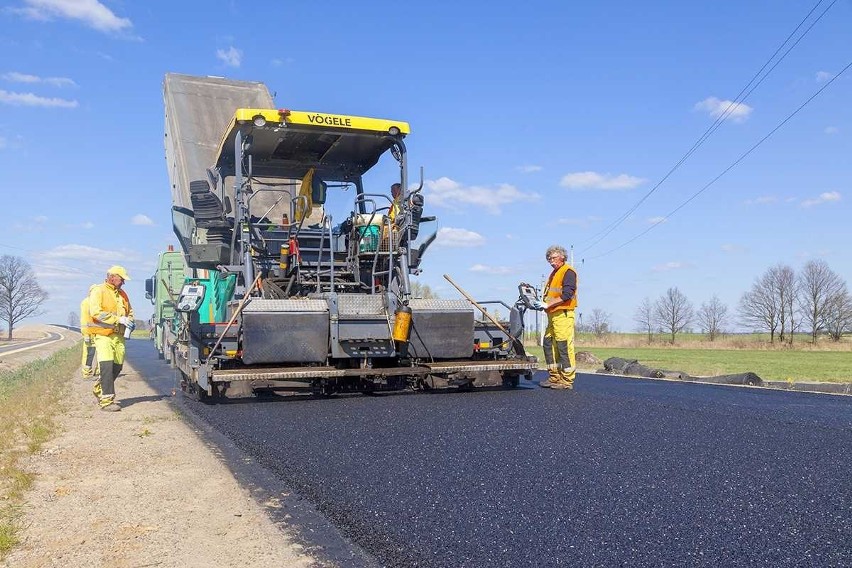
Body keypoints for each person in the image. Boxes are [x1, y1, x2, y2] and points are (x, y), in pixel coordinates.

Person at [88, 265, 134, 411]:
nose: (123, 282)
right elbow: (96, 312)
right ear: (112, 277)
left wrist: (129, 320)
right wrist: (117, 319)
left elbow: (130, 311)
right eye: (121, 279)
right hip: (103, 334)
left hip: (119, 335)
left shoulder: (123, 294)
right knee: (106, 366)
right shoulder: (99, 290)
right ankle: (106, 401)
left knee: (117, 366)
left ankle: (98, 387)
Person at [534, 245, 578, 390]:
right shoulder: (554, 273)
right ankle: (554, 377)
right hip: (553, 314)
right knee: (548, 344)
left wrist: (547, 304)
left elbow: (567, 294)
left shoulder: (568, 272)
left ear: (562, 257)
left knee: (563, 346)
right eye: (549, 259)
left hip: (563, 314)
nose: (551, 261)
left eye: (553, 258)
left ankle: (566, 380)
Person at [79, 288, 100, 379]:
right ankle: (87, 373)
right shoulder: (86, 302)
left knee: (101, 354)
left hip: (100, 333)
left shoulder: (99, 301)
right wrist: (85, 333)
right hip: (90, 333)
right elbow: (84, 319)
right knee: (89, 354)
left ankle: (99, 371)